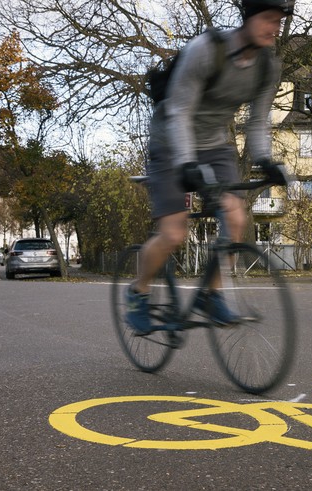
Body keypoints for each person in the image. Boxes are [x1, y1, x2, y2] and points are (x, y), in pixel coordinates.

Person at [126, 0, 294, 333]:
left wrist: (264, 159)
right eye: (268, 19)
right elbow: (179, 111)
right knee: (173, 232)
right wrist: (187, 162)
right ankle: (139, 291)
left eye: (278, 21)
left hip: (215, 145)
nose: (274, 27)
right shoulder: (206, 50)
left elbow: (259, 119)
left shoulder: (266, 67)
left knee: (234, 217)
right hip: (170, 141)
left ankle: (211, 294)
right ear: (248, 18)